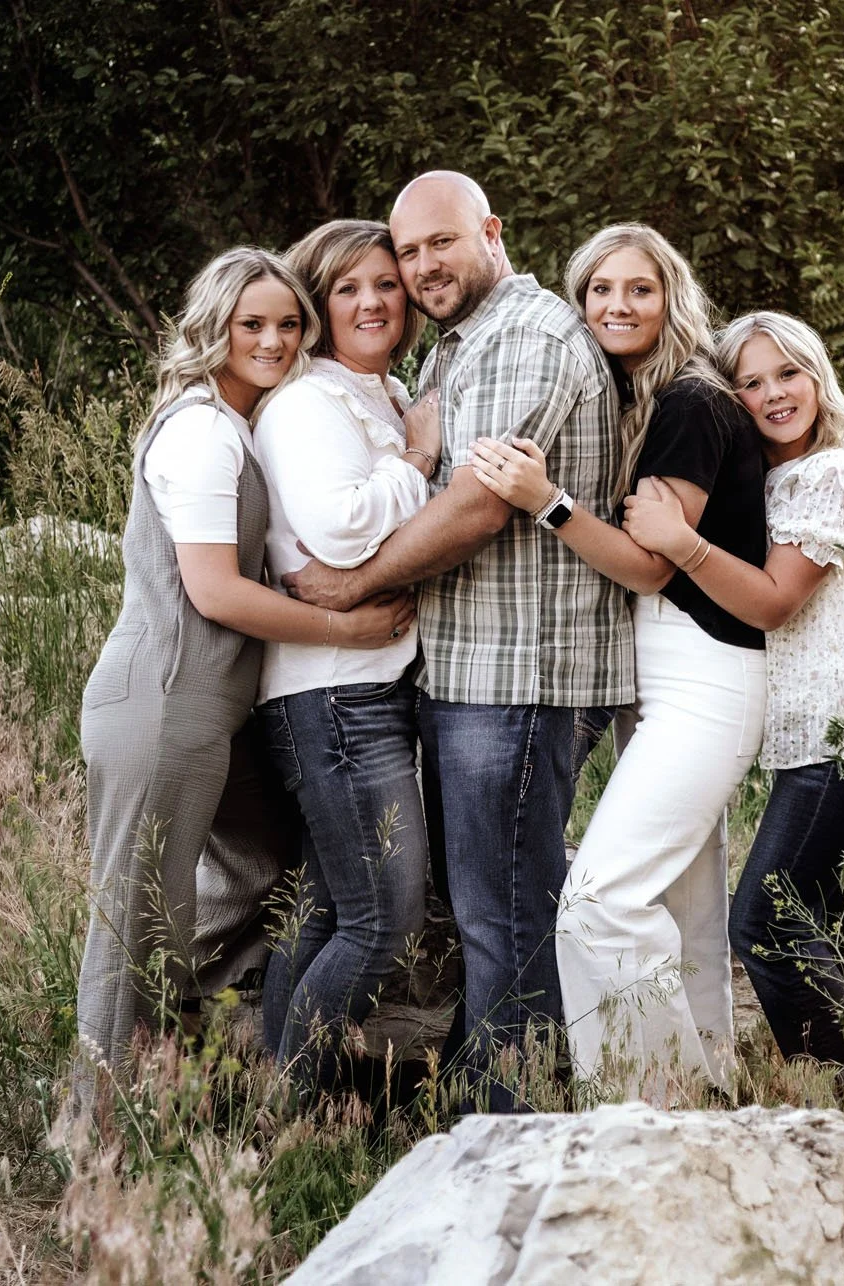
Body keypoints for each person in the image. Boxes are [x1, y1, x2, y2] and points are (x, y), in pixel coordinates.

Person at [281, 173, 630, 1112]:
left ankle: (508, 1131)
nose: (423, 266)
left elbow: (476, 508)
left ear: (492, 233)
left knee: (505, 917)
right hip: (470, 671)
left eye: (443, 243)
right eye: (410, 251)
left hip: (518, 673)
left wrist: (354, 586)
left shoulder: (526, 336)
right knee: (485, 914)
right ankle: (473, 1113)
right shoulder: (454, 350)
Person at [75, 246, 413, 1089]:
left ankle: (201, 1054)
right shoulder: (198, 430)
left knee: (273, 873)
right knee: (137, 917)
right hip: (162, 703)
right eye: (250, 324)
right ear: (213, 327)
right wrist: (345, 625)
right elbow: (216, 591)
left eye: (287, 324)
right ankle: (98, 1128)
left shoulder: (241, 424)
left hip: (215, 712)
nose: (271, 340)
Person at [466, 224, 765, 1101]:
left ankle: (652, 1101)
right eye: (599, 289)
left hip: (704, 676)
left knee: (599, 901)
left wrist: (544, 500)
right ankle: (712, 1095)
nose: (616, 306)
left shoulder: (689, 403)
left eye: (639, 289)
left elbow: (648, 565)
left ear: (672, 298)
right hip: (671, 674)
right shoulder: (646, 399)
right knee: (685, 910)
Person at [622, 310, 844, 1096]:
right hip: (828, 733)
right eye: (749, 382)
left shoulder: (831, 473)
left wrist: (679, 541)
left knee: (768, 921)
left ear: (819, 376)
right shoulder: (777, 478)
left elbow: (775, 602)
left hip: (843, 731)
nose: (774, 393)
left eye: (788, 372)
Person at [250, 219, 440, 1095]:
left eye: (386, 284)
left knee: (331, 906)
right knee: (381, 922)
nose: (371, 302)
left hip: (370, 688)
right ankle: (290, 1111)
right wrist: (419, 456)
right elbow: (341, 527)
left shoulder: (383, 392)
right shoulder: (307, 403)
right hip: (332, 699)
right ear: (319, 306)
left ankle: (270, 1094)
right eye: (347, 289)